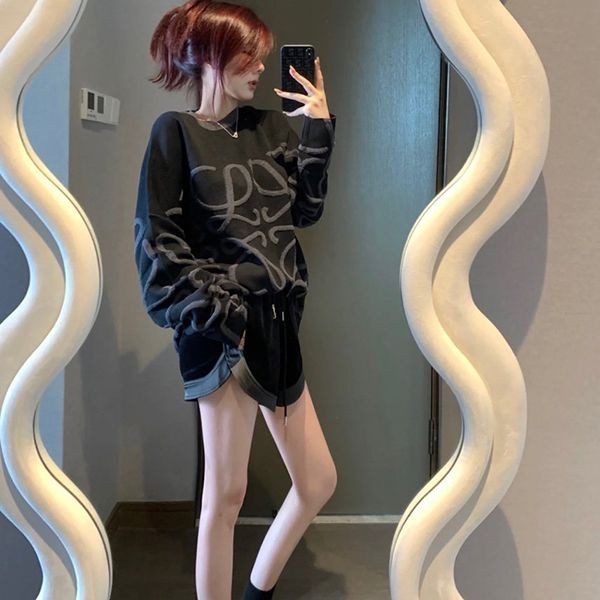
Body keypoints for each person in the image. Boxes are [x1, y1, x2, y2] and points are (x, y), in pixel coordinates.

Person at [133, 1, 338, 598]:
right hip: (221, 327)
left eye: (262, 55)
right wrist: (226, 310)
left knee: (317, 482)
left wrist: (317, 128)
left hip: (276, 322)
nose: (261, 67)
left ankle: (256, 594)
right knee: (225, 495)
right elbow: (158, 242)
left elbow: (304, 211)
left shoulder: (271, 127)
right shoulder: (175, 132)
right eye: (248, 54)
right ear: (209, 55)